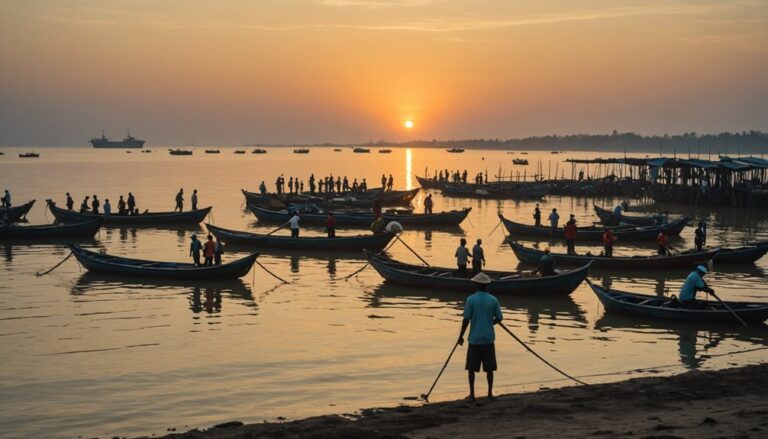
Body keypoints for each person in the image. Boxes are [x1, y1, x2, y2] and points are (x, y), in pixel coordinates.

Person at [457, 272, 503, 401]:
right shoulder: (493, 300)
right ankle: (489, 394)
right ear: (487, 286)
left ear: (476, 285)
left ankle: (472, 394)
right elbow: (499, 318)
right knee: (489, 369)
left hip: (474, 339)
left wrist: (460, 336)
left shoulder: (471, 299)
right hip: (488, 338)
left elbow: (466, 319)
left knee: (471, 368)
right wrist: (491, 322)